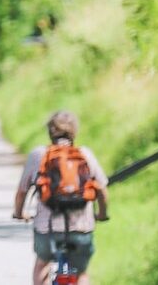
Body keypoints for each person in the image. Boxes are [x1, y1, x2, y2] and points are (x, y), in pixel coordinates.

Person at [12, 110, 109, 285]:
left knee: (42, 266)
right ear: (74, 132)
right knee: (81, 274)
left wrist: (19, 213)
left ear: (50, 131)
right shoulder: (85, 154)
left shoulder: (38, 155)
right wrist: (102, 213)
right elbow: (101, 189)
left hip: (47, 230)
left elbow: (22, 192)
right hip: (81, 229)